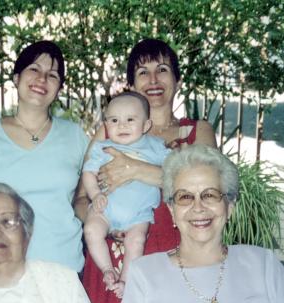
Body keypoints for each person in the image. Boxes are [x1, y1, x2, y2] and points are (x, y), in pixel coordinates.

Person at [78, 38, 217, 302]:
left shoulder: (198, 132)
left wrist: (137, 170)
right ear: (131, 84)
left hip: (176, 256)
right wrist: (104, 223)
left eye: (162, 69)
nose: (153, 79)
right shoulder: (109, 132)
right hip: (115, 262)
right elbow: (80, 200)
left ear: (177, 80)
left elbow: (209, 192)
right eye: (143, 72)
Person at [0, 41, 89, 272]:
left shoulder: (75, 136)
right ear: (16, 78)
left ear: (59, 88)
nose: (42, 79)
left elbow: (88, 196)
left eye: (52, 75)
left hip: (62, 270)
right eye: (34, 69)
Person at [122, 145, 284, 302]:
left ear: (229, 207)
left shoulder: (262, 264)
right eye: (185, 197)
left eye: (210, 195)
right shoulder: (144, 273)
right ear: (172, 210)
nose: (198, 207)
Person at [82, 91, 170, 297]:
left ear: (146, 125)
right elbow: (88, 173)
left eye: (130, 119)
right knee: (92, 231)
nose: (122, 125)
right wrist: (95, 194)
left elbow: (176, 170)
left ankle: (125, 280)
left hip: (138, 214)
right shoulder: (102, 147)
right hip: (106, 208)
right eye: (114, 120)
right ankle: (107, 270)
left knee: (136, 241)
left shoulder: (155, 146)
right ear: (105, 124)